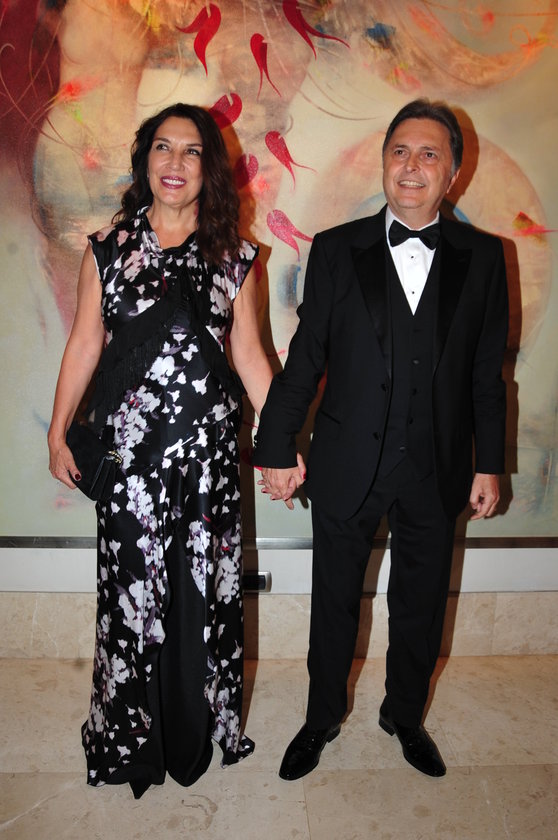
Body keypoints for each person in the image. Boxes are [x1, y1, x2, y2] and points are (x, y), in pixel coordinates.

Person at [254, 99, 508, 780]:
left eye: (429, 154)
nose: (412, 165)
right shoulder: (338, 249)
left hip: (437, 464)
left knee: (420, 605)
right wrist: (274, 444)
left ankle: (405, 716)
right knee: (334, 602)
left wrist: (489, 464)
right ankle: (320, 718)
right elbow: (306, 356)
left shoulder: (486, 257)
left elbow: (487, 373)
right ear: (384, 162)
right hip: (347, 461)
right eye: (400, 151)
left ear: (453, 172)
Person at [48, 103, 275, 797]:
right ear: (145, 160)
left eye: (192, 151)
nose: (176, 163)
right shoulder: (107, 249)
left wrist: (282, 444)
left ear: (209, 169)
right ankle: (131, 743)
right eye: (163, 148)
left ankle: (194, 738)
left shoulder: (235, 258)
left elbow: (251, 358)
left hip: (209, 466)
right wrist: (57, 431)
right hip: (130, 467)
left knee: (202, 598)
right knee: (130, 600)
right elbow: (85, 344)